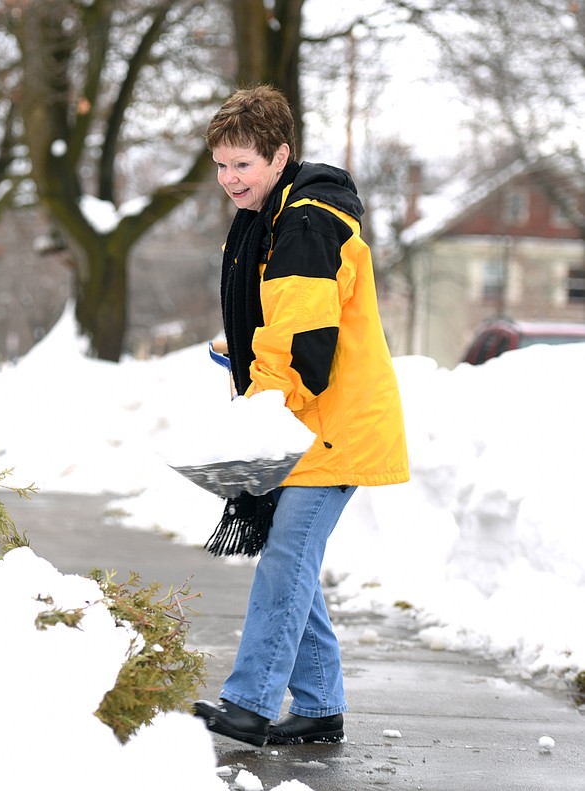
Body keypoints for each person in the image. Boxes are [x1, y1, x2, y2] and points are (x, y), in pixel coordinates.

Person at [191, 85, 409, 747]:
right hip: (308, 422)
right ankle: (318, 705)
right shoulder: (275, 217)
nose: (230, 179)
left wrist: (260, 400)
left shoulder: (307, 223)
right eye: (221, 165)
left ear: (280, 156)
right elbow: (284, 317)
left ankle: (250, 702)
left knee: (285, 558)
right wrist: (240, 349)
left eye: (243, 165)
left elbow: (299, 336)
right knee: (292, 562)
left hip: (331, 426)